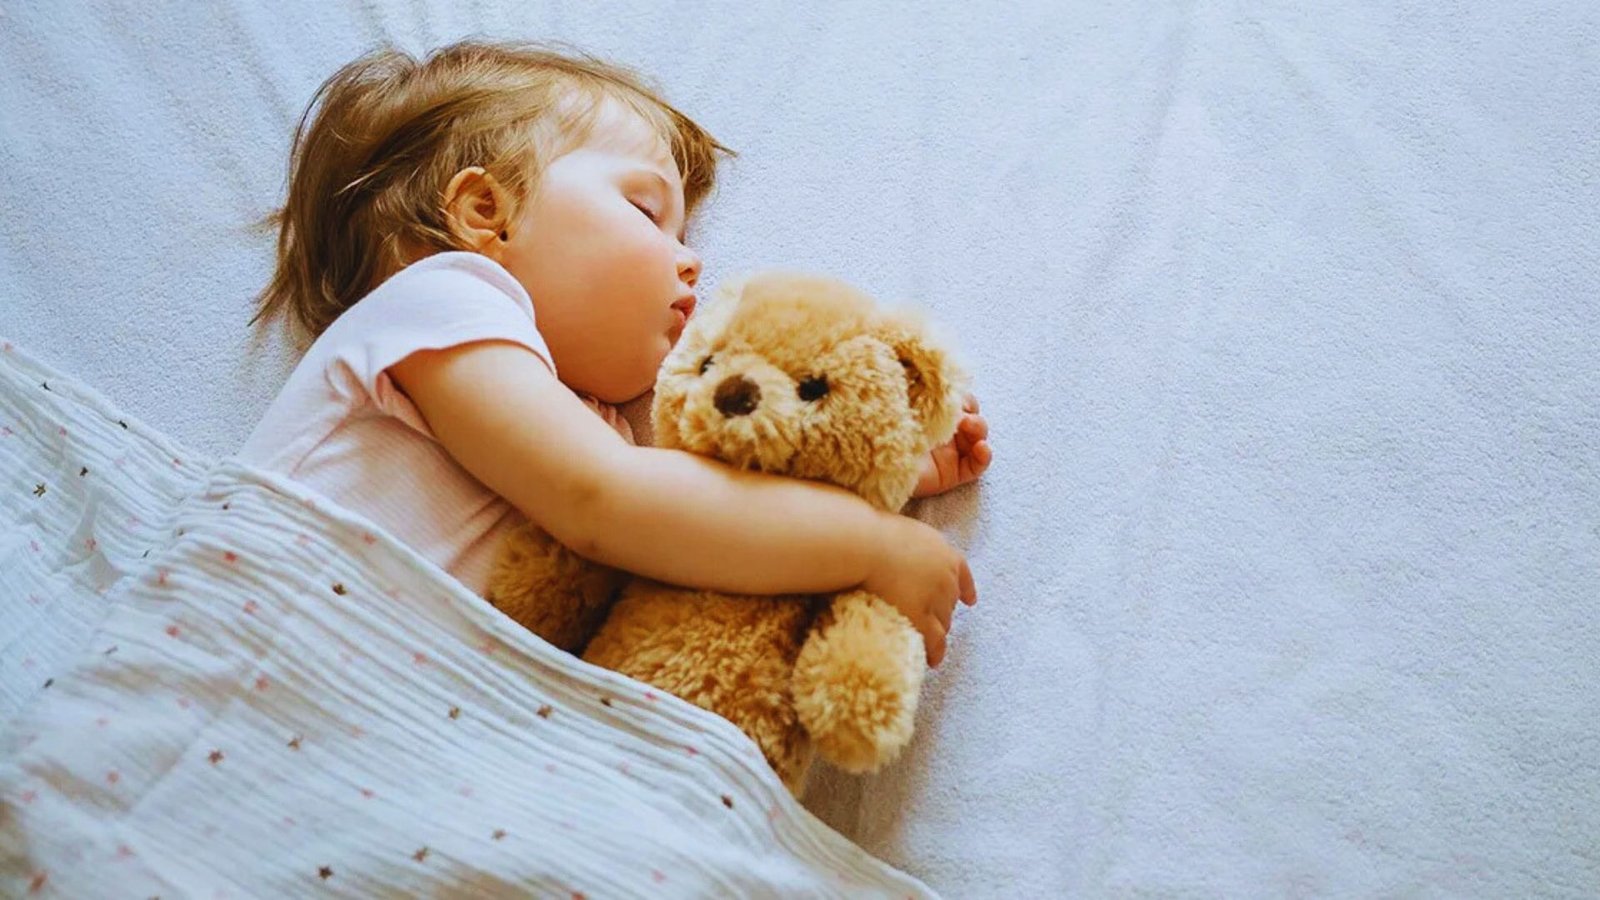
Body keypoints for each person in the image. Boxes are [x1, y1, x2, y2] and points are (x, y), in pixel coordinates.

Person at [241, 40, 991, 666]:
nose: (690, 263)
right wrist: (867, 543)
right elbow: (608, 502)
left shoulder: (595, 423)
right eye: (646, 211)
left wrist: (860, 472)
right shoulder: (442, 302)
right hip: (256, 664)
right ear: (484, 214)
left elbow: (697, 515)